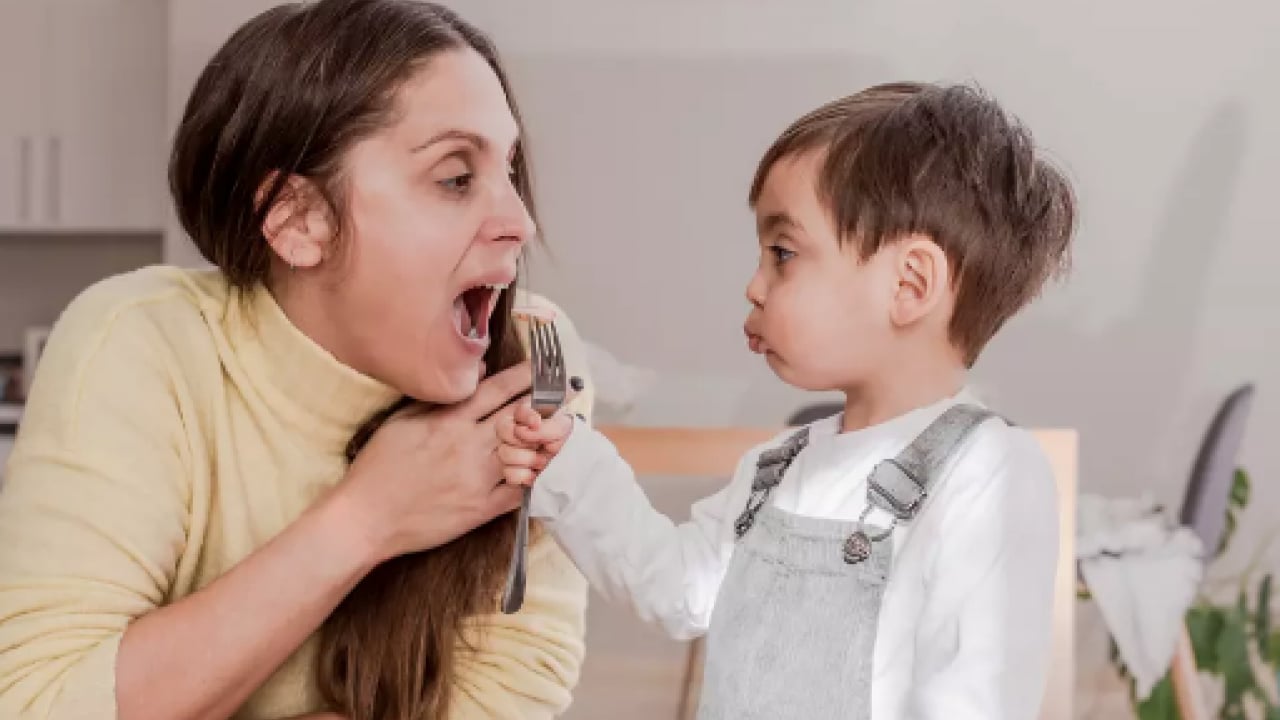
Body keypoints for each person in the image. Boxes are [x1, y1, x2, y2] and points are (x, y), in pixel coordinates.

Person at [0, 1, 593, 719]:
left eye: (509, 170)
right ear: (298, 219)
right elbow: (40, 704)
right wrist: (368, 517)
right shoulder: (141, 345)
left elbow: (514, 695)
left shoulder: (532, 368)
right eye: (455, 178)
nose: (520, 223)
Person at [499, 82, 1076, 719]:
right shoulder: (779, 466)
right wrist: (569, 459)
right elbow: (678, 589)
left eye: (783, 254)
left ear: (910, 284)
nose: (753, 286)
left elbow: (974, 699)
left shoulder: (989, 472)